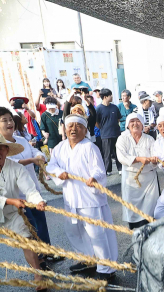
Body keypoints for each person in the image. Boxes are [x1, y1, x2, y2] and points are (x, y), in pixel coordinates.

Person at [46, 114, 118, 282]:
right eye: (70, 125)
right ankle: (88, 259)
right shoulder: (60, 148)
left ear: (85, 130)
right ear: (64, 128)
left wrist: (94, 178)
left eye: (78, 126)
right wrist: (58, 173)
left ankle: (106, 268)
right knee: (74, 231)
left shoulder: (89, 147)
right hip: (71, 198)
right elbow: (51, 165)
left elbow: (99, 169)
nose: (73, 129)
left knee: (96, 233)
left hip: (89, 199)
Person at [0, 107, 52, 252]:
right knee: (30, 228)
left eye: (10, 119)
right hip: (17, 197)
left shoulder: (22, 140)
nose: (9, 123)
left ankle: (48, 252)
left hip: (32, 189)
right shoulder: (1, 147)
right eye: (4, 120)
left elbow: (33, 150)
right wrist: (31, 160)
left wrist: (39, 156)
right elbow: (10, 163)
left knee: (41, 222)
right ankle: (38, 260)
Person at [0, 135, 47, 289]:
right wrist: (10, 201)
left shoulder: (16, 168)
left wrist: (37, 201)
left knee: (26, 239)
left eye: (1, 148)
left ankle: (38, 274)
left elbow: (29, 189)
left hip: (13, 212)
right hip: (11, 204)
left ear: (6, 150)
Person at [115, 113, 160, 229]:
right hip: (130, 180)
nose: (135, 124)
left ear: (142, 123)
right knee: (133, 211)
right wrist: (140, 159)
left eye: (138, 121)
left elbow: (155, 156)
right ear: (128, 125)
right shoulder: (122, 139)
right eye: (132, 121)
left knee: (150, 211)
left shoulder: (149, 139)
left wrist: (154, 160)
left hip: (149, 180)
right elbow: (121, 157)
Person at [95, 88, 122, 175]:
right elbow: (96, 122)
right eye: (110, 95)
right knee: (107, 153)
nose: (112, 97)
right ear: (105, 97)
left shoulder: (114, 107)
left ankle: (120, 168)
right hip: (105, 134)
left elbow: (118, 119)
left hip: (116, 133)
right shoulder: (98, 108)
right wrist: (102, 128)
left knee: (118, 152)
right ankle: (108, 170)